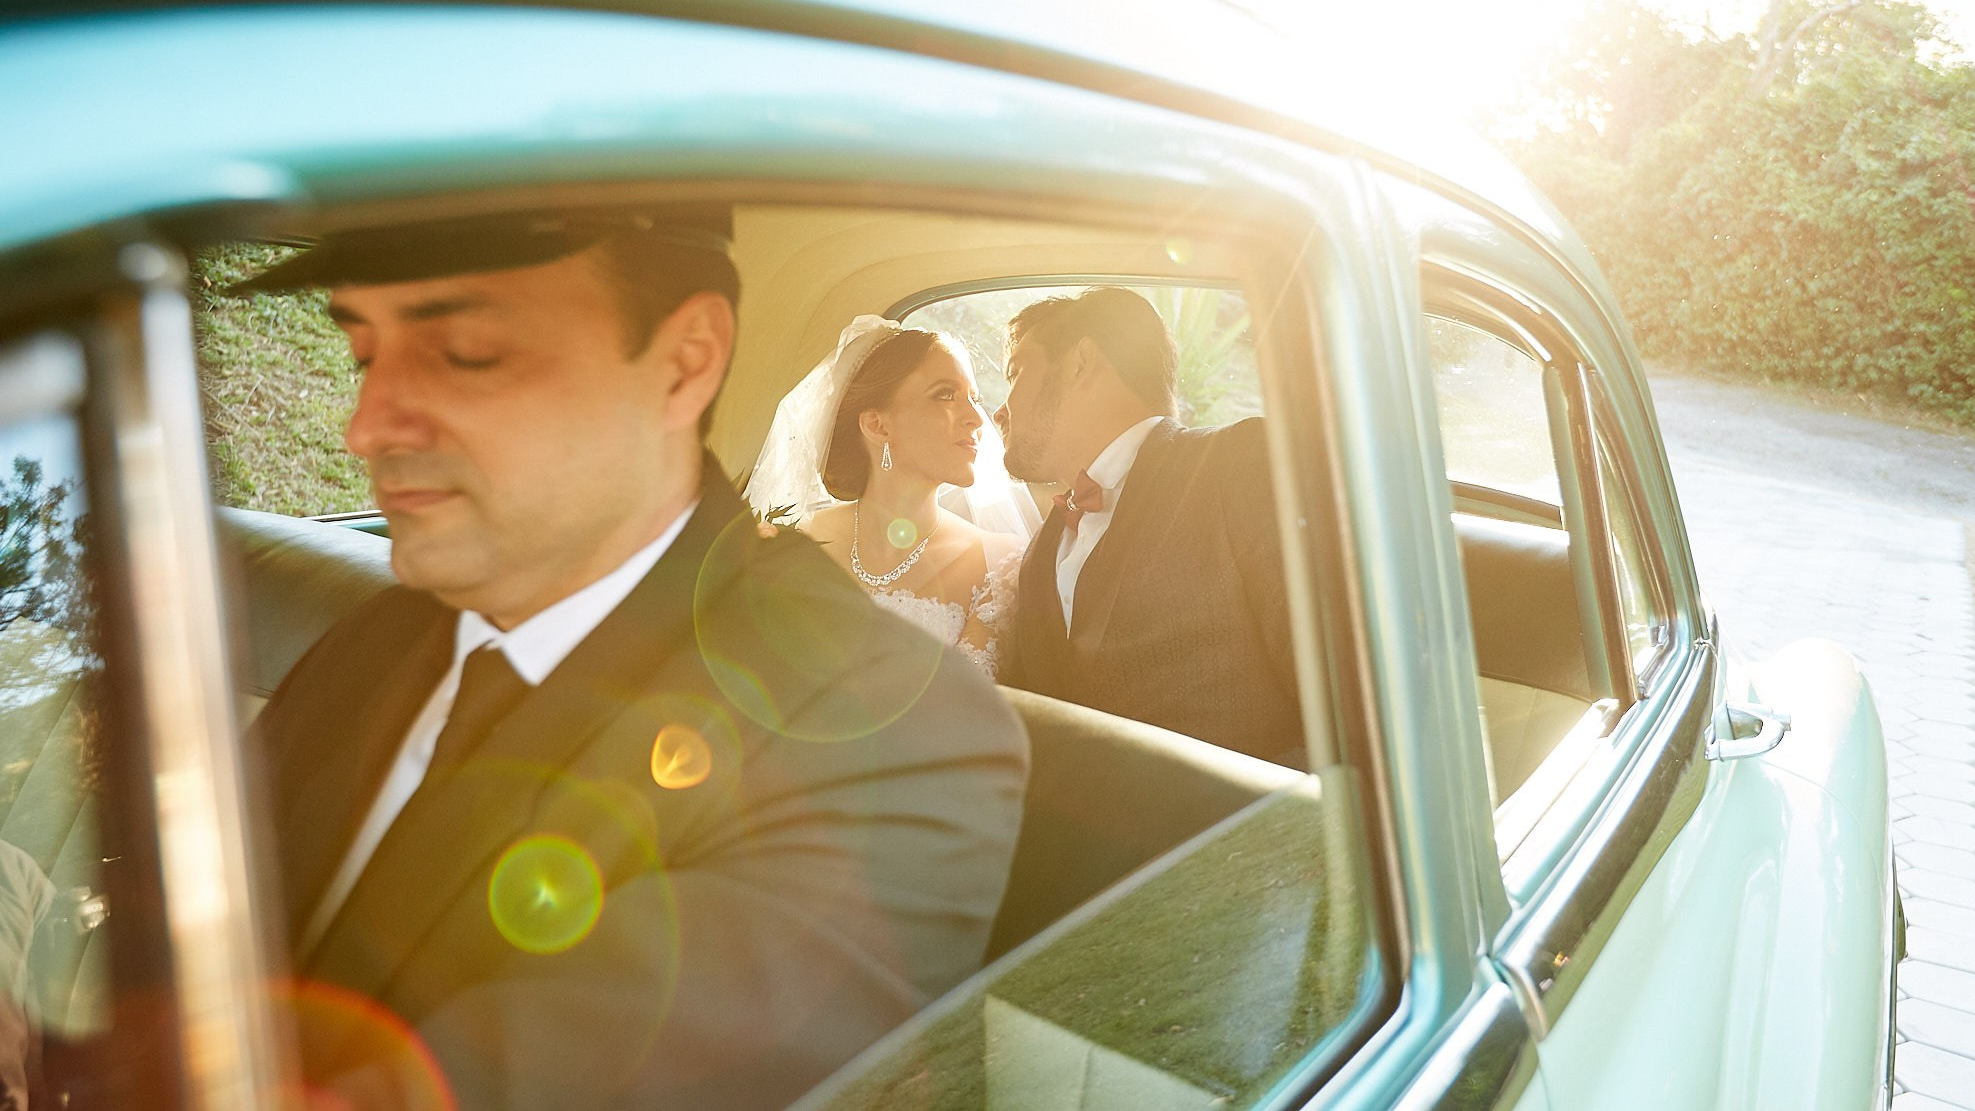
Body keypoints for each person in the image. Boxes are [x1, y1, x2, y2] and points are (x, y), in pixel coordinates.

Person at [241, 211, 1028, 1109]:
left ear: (684, 362)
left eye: (463, 351)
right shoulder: (377, 640)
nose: (367, 427)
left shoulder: (896, 735)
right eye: (364, 358)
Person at [994, 287, 1303, 766]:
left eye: (1015, 372)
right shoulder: (1041, 550)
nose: (999, 409)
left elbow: (1344, 700)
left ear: (1081, 361)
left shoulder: (1237, 464)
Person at [744, 318, 1030, 676]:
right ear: (878, 425)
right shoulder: (794, 539)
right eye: (945, 394)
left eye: (975, 399)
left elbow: (965, 721)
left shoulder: (998, 565)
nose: (976, 418)